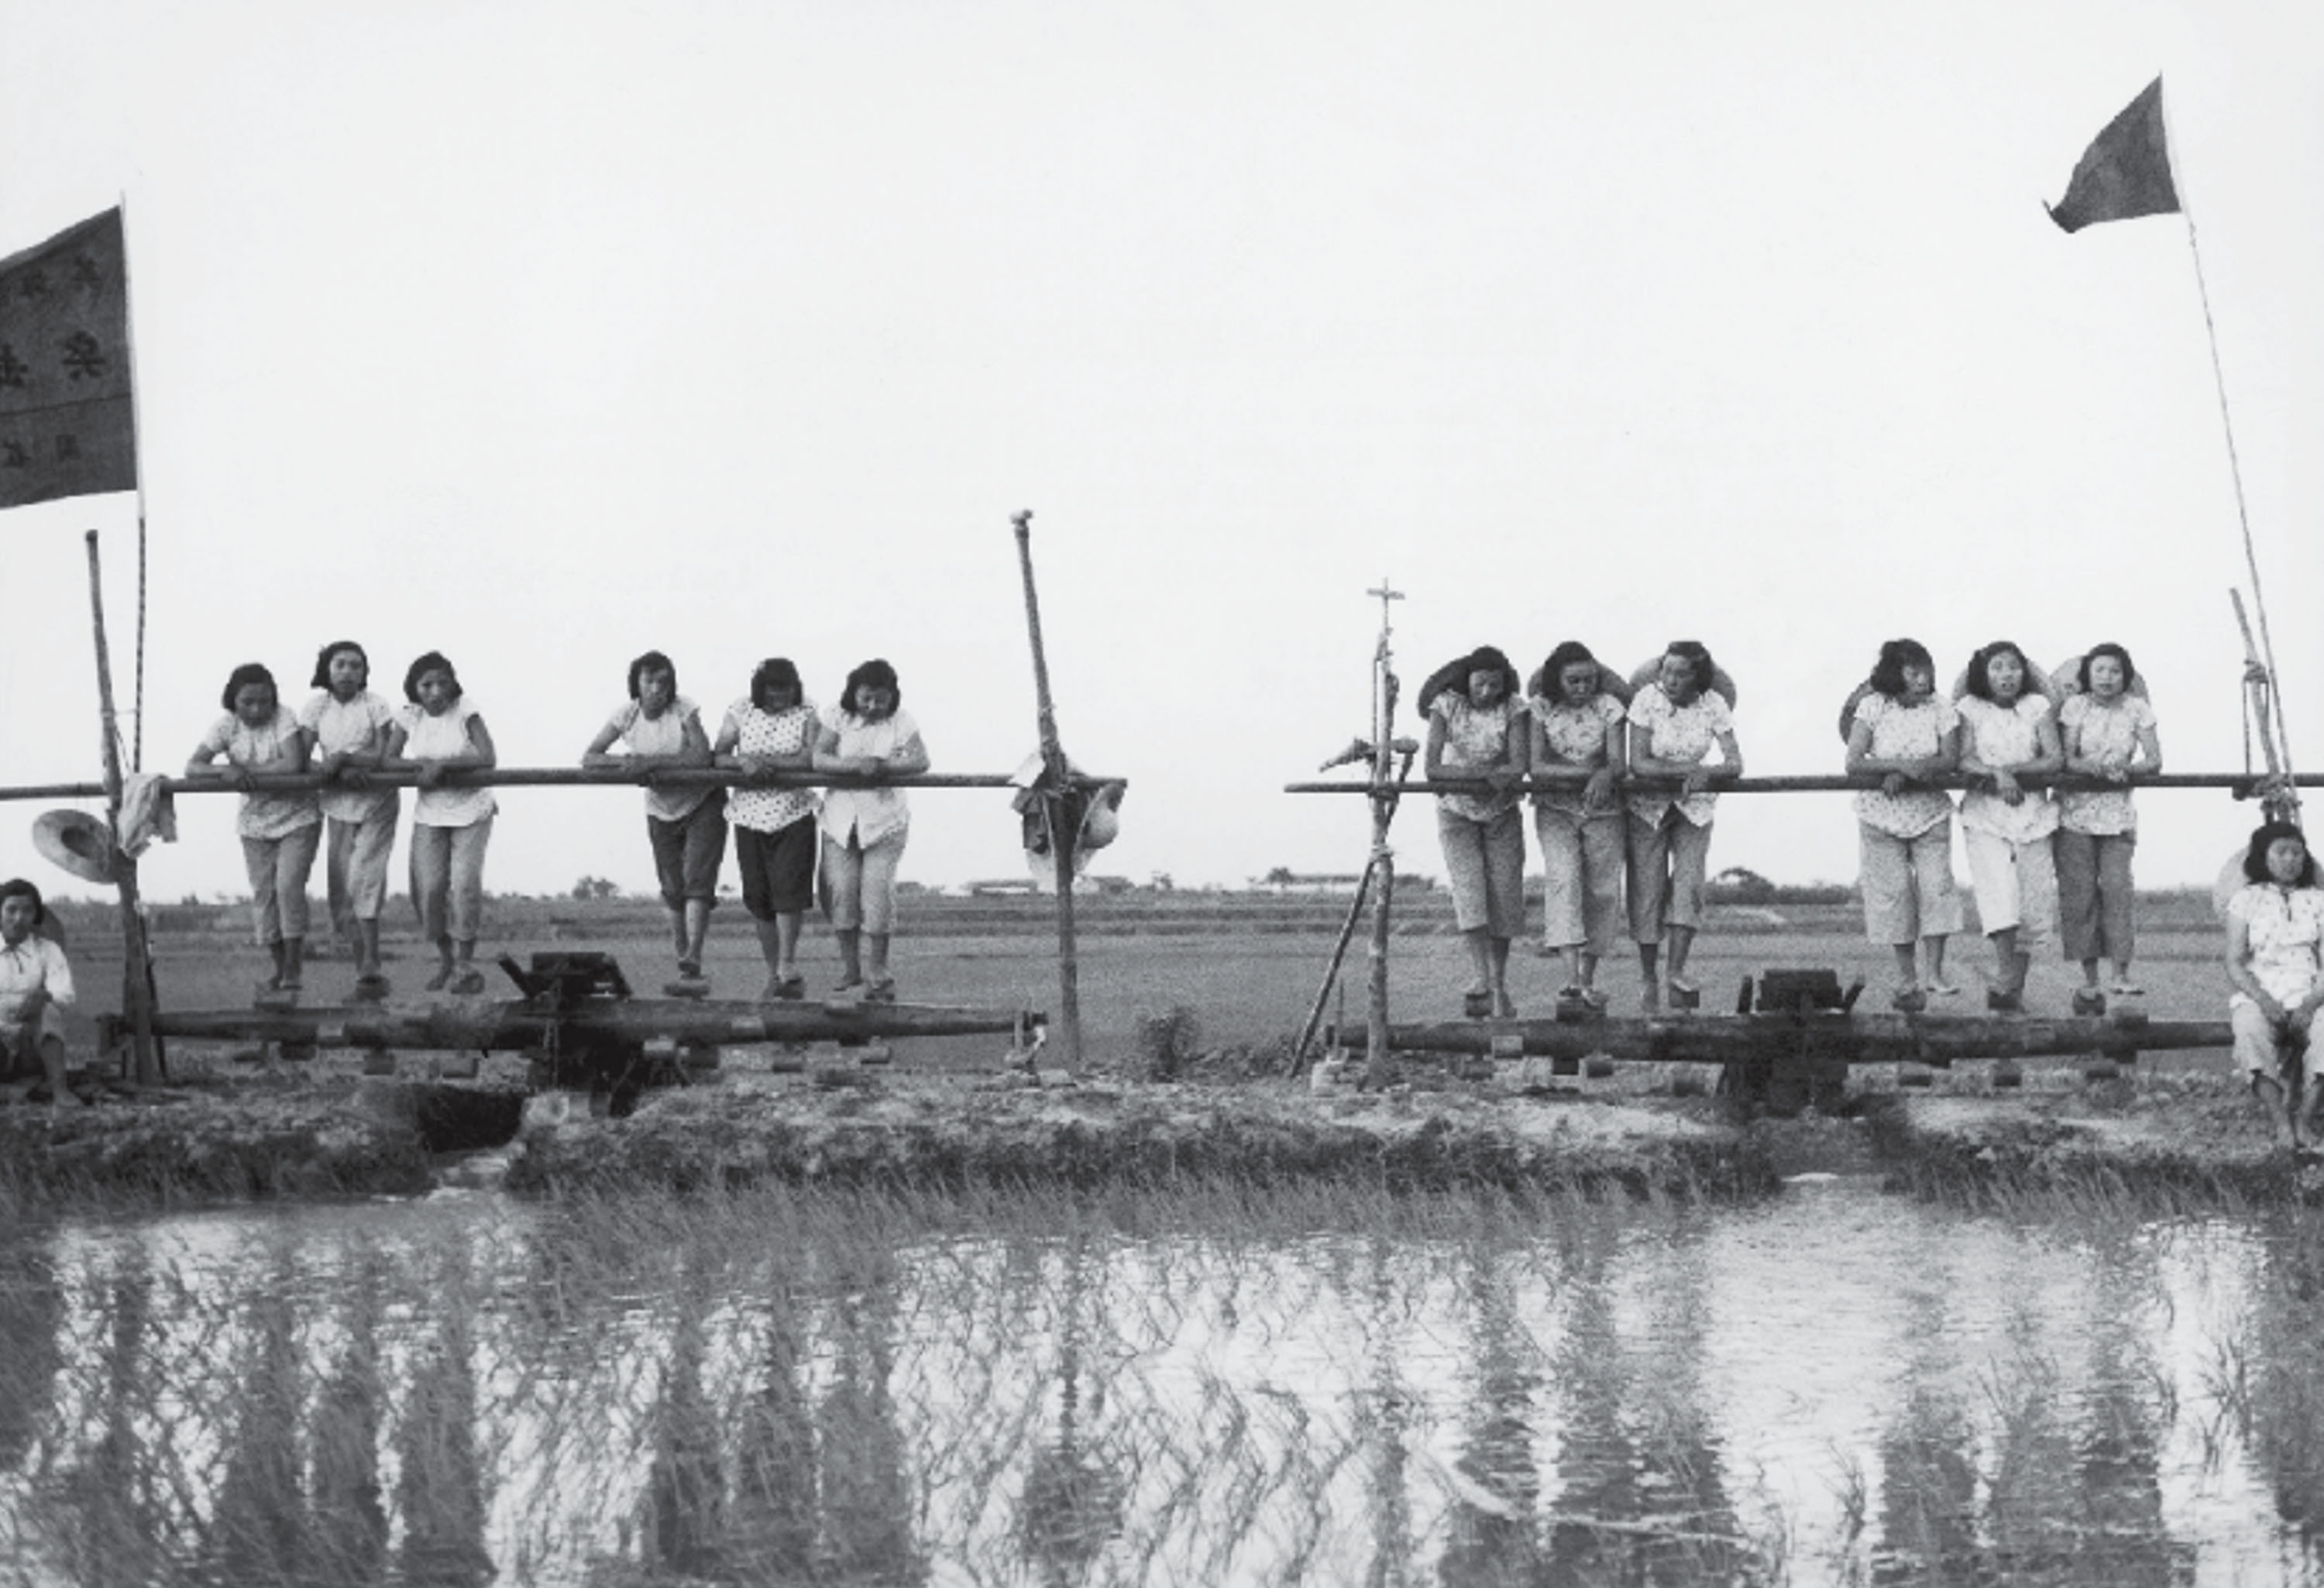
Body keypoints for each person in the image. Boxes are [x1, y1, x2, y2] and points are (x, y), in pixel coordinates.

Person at [585, 650, 726, 985]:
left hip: (702, 801)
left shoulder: (684, 709)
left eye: (664, 681)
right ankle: (682, 953)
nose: (657, 688)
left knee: (697, 880)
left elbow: (700, 756)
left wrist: (651, 764)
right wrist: (627, 763)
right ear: (636, 683)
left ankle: (694, 954)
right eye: (649, 680)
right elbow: (591, 757)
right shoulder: (627, 715)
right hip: (661, 808)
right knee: (672, 884)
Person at [186, 662, 322, 999]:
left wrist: (246, 770)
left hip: (298, 816)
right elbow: (192, 767)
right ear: (233, 701)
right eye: (248, 702)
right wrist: (225, 774)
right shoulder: (226, 727)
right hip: (254, 823)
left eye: (264, 701)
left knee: (288, 886)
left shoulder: (284, 717)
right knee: (264, 895)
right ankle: (279, 968)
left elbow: (292, 763)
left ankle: (293, 970)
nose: (257, 709)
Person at [1844, 640, 1964, 1011]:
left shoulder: (1942, 707)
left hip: (1929, 812)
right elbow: (1854, 760)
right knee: (1894, 895)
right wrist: (1892, 768)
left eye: (1925, 671)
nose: (1922, 679)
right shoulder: (1873, 706)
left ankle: (1935, 973)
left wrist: (1916, 771)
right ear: (1895, 674)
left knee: (1936, 889)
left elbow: (1949, 758)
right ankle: (1906, 975)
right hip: (1881, 814)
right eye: (1912, 672)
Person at [1626, 641, 1743, 1012]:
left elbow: (1734, 761)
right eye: (1667, 672)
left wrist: (1706, 773)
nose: (1671, 680)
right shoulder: (1647, 699)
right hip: (1648, 803)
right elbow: (1640, 761)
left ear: (1698, 677)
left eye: (1681, 673)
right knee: (1648, 888)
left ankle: (1676, 970)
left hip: (1694, 805)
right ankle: (1648, 977)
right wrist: (1683, 772)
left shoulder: (1713, 704)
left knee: (1689, 884)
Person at [1954, 639, 2062, 1012]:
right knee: (2000, 895)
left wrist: (2014, 772)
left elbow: (2052, 758)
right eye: (1998, 667)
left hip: (2033, 813)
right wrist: (1996, 774)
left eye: (2014, 667)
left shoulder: (2038, 707)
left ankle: (2013, 987)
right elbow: (1964, 757)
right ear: (1985, 673)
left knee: (2032, 899)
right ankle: (2004, 976)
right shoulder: (1970, 708)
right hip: (1986, 814)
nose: (2007, 675)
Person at [2056, 642, 2163, 1012]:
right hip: (2074, 815)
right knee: (2081, 894)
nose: (2107, 678)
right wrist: (2093, 769)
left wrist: (2127, 770)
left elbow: (2154, 760)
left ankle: (2121, 973)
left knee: (2117, 891)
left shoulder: (2137, 709)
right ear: (2088, 674)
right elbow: (2066, 758)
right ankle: (2089, 979)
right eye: (2100, 670)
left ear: (2126, 675)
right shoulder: (2075, 707)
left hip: (2118, 815)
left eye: (2115, 671)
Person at [383, 651, 497, 995]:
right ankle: (446, 957)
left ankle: (464, 964)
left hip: (471, 809)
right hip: (430, 812)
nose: (435, 692)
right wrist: (422, 767)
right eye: (427, 684)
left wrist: (445, 766)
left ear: (453, 684)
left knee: (464, 885)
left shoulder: (465, 709)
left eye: (442, 683)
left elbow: (488, 756)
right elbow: (388, 760)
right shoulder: (409, 716)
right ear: (414, 688)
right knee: (429, 890)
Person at [813, 659, 928, 1002]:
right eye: (866, 699)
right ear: (854, 694)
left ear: (892, 697)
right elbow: (819, 758)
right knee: (843, 893)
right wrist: (853, 767)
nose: (873, 706)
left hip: (885, 822)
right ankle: (851, 969)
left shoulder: (901, 720)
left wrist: (881, 766)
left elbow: (921, 761)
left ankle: (878, 971)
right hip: (839, 822)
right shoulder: (837, 716)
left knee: (876, 896)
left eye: (881, 699)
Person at [1425, 646, 1528, 1018]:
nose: (1488, 693)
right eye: (1481, 684)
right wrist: (1483, 776)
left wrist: (1503, 778)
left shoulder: (1514, 708)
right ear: (1467, 681)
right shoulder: (1446, 705)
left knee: (1504, 895)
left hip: (1501, 811)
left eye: (1495, 686)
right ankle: (1479, 975)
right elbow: (1433, 768)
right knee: (1470, 892)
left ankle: (1499, 982)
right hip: (1456, 811)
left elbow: (1518, 764)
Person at [1525, 641, 1627, 1009]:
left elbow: (1618, 760)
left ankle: (1588, 977)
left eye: (1588, 680)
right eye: (1574, 681)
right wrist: (1593, 772)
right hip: (1555, 808)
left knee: (1602, 890)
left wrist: (1608, 772)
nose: (1582, 688)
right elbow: (1536, 765)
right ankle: (1570, 979)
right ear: (1558, 680)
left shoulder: (1609, 707)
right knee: (1564, 880)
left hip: (1604, 810)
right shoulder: (1540, 709)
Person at [714, 658, 822, 1001]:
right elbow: (719, 754)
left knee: (788, 892)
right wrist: (743, 762)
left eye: (786, 691)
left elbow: (810, 757)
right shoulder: (741, 709)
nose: (779, 699)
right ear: (760, 689)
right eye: (773, 692)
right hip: (748, 815)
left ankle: (788, 965)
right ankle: (773, 972)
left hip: (792, 813)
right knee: (759, 898)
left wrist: (769, 764)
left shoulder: (808, 710)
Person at [297, 640, 399, 996]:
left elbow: (386, 753)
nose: (348, 672)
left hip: (377, 802)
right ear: (327, 669)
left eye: (356, 665)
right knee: (342, 887)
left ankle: (371, 962)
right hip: (337, 803)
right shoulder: (316, 707)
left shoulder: (375, 705)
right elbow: (301, 757)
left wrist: (345, 758)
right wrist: (334, 769)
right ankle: (363, 971)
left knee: (364, 880)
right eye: (340, 664)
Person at [2223, 820, 2324, 1148]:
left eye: (2297, 852)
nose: (2290, 860)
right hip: (2260, 993)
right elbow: (2235, 962)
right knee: (2249, 1031)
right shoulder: (2245, 900)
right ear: (2263, 857)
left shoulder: (2319, 901)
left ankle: (2304, 1120)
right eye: (2281, 852)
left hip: (2311, 992)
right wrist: (2264, 1001)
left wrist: (2310, 1005)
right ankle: (2280, 1121)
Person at [0, 878, 74, 1102]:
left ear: (36, 915)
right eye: (11, 909)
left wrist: (44, 996)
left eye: (27, 910)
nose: (19, 918)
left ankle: (60, 1091)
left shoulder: (48, 951)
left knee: (49, 1011)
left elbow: (65, 994)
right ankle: (15, 1092)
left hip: (30, 1046)